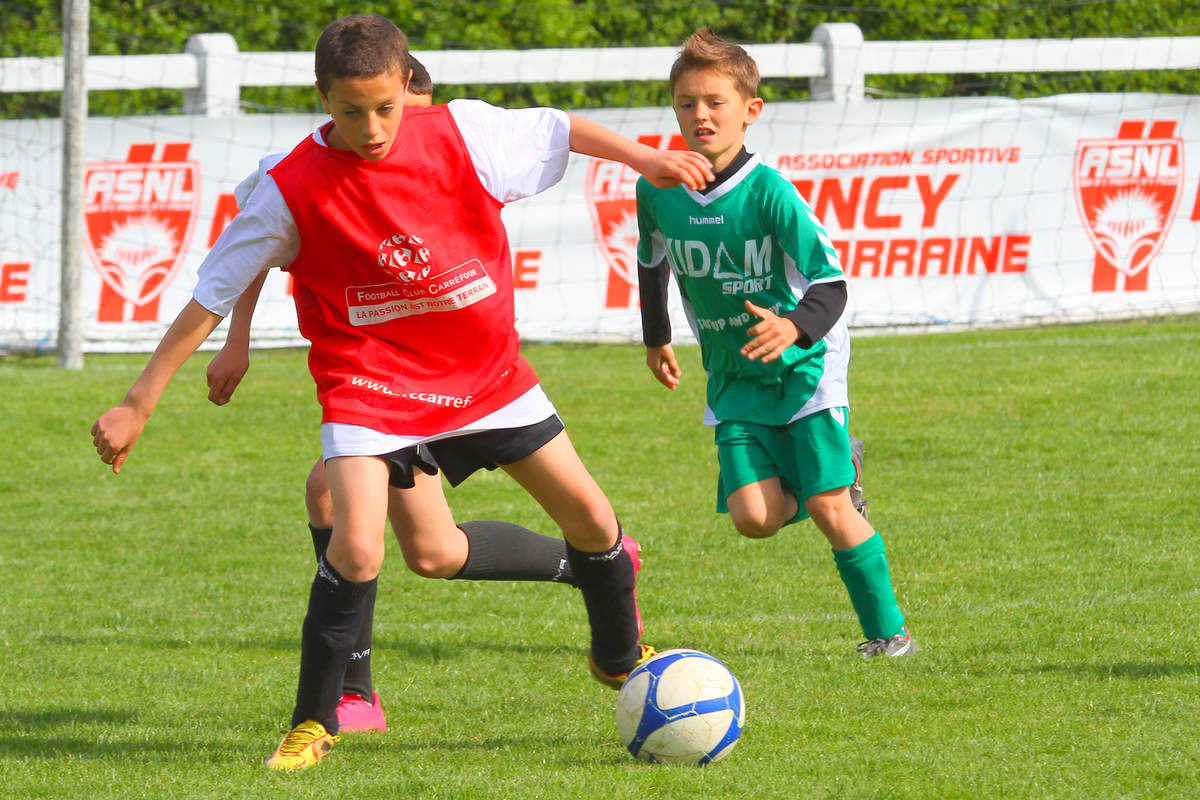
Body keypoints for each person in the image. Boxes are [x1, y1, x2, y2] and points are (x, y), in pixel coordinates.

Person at [91, 13, 714, 771]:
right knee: (357, 542)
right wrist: (140, 399)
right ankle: (315, 721)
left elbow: (559, 128)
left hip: (487, 377)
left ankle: (617, 657)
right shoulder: (289, 183)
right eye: (351, 111)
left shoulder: (461, 133)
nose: (372, 127)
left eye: (385, 107)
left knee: (588, 517)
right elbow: (213, 290)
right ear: (324, 99)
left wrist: (647, 158)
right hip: (369, 384)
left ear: (405, 86)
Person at [203, 54, 637, 738]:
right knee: (426, 551)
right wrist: (238, 339)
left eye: (401, 112)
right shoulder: (294, 173)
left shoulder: (451, 143)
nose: (386, 132)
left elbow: (549, 140)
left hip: (466, 378)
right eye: (365, 114)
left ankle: (591, 565)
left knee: (380, 525)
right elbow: (249, 251)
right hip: (382, 384)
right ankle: (354, 694)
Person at [634, 28, 914, 660]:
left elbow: (831, 281)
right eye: (686, 103)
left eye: (715, 102)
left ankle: (888, 634)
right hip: (732, 371)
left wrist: (794, 325)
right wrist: (657, 338)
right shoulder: (656, 186)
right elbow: (652, 260)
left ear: (749, 111)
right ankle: (841, 474)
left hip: (804, 366)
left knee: (825, 506)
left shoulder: (771, 193)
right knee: (753, 520)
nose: (700, 115)